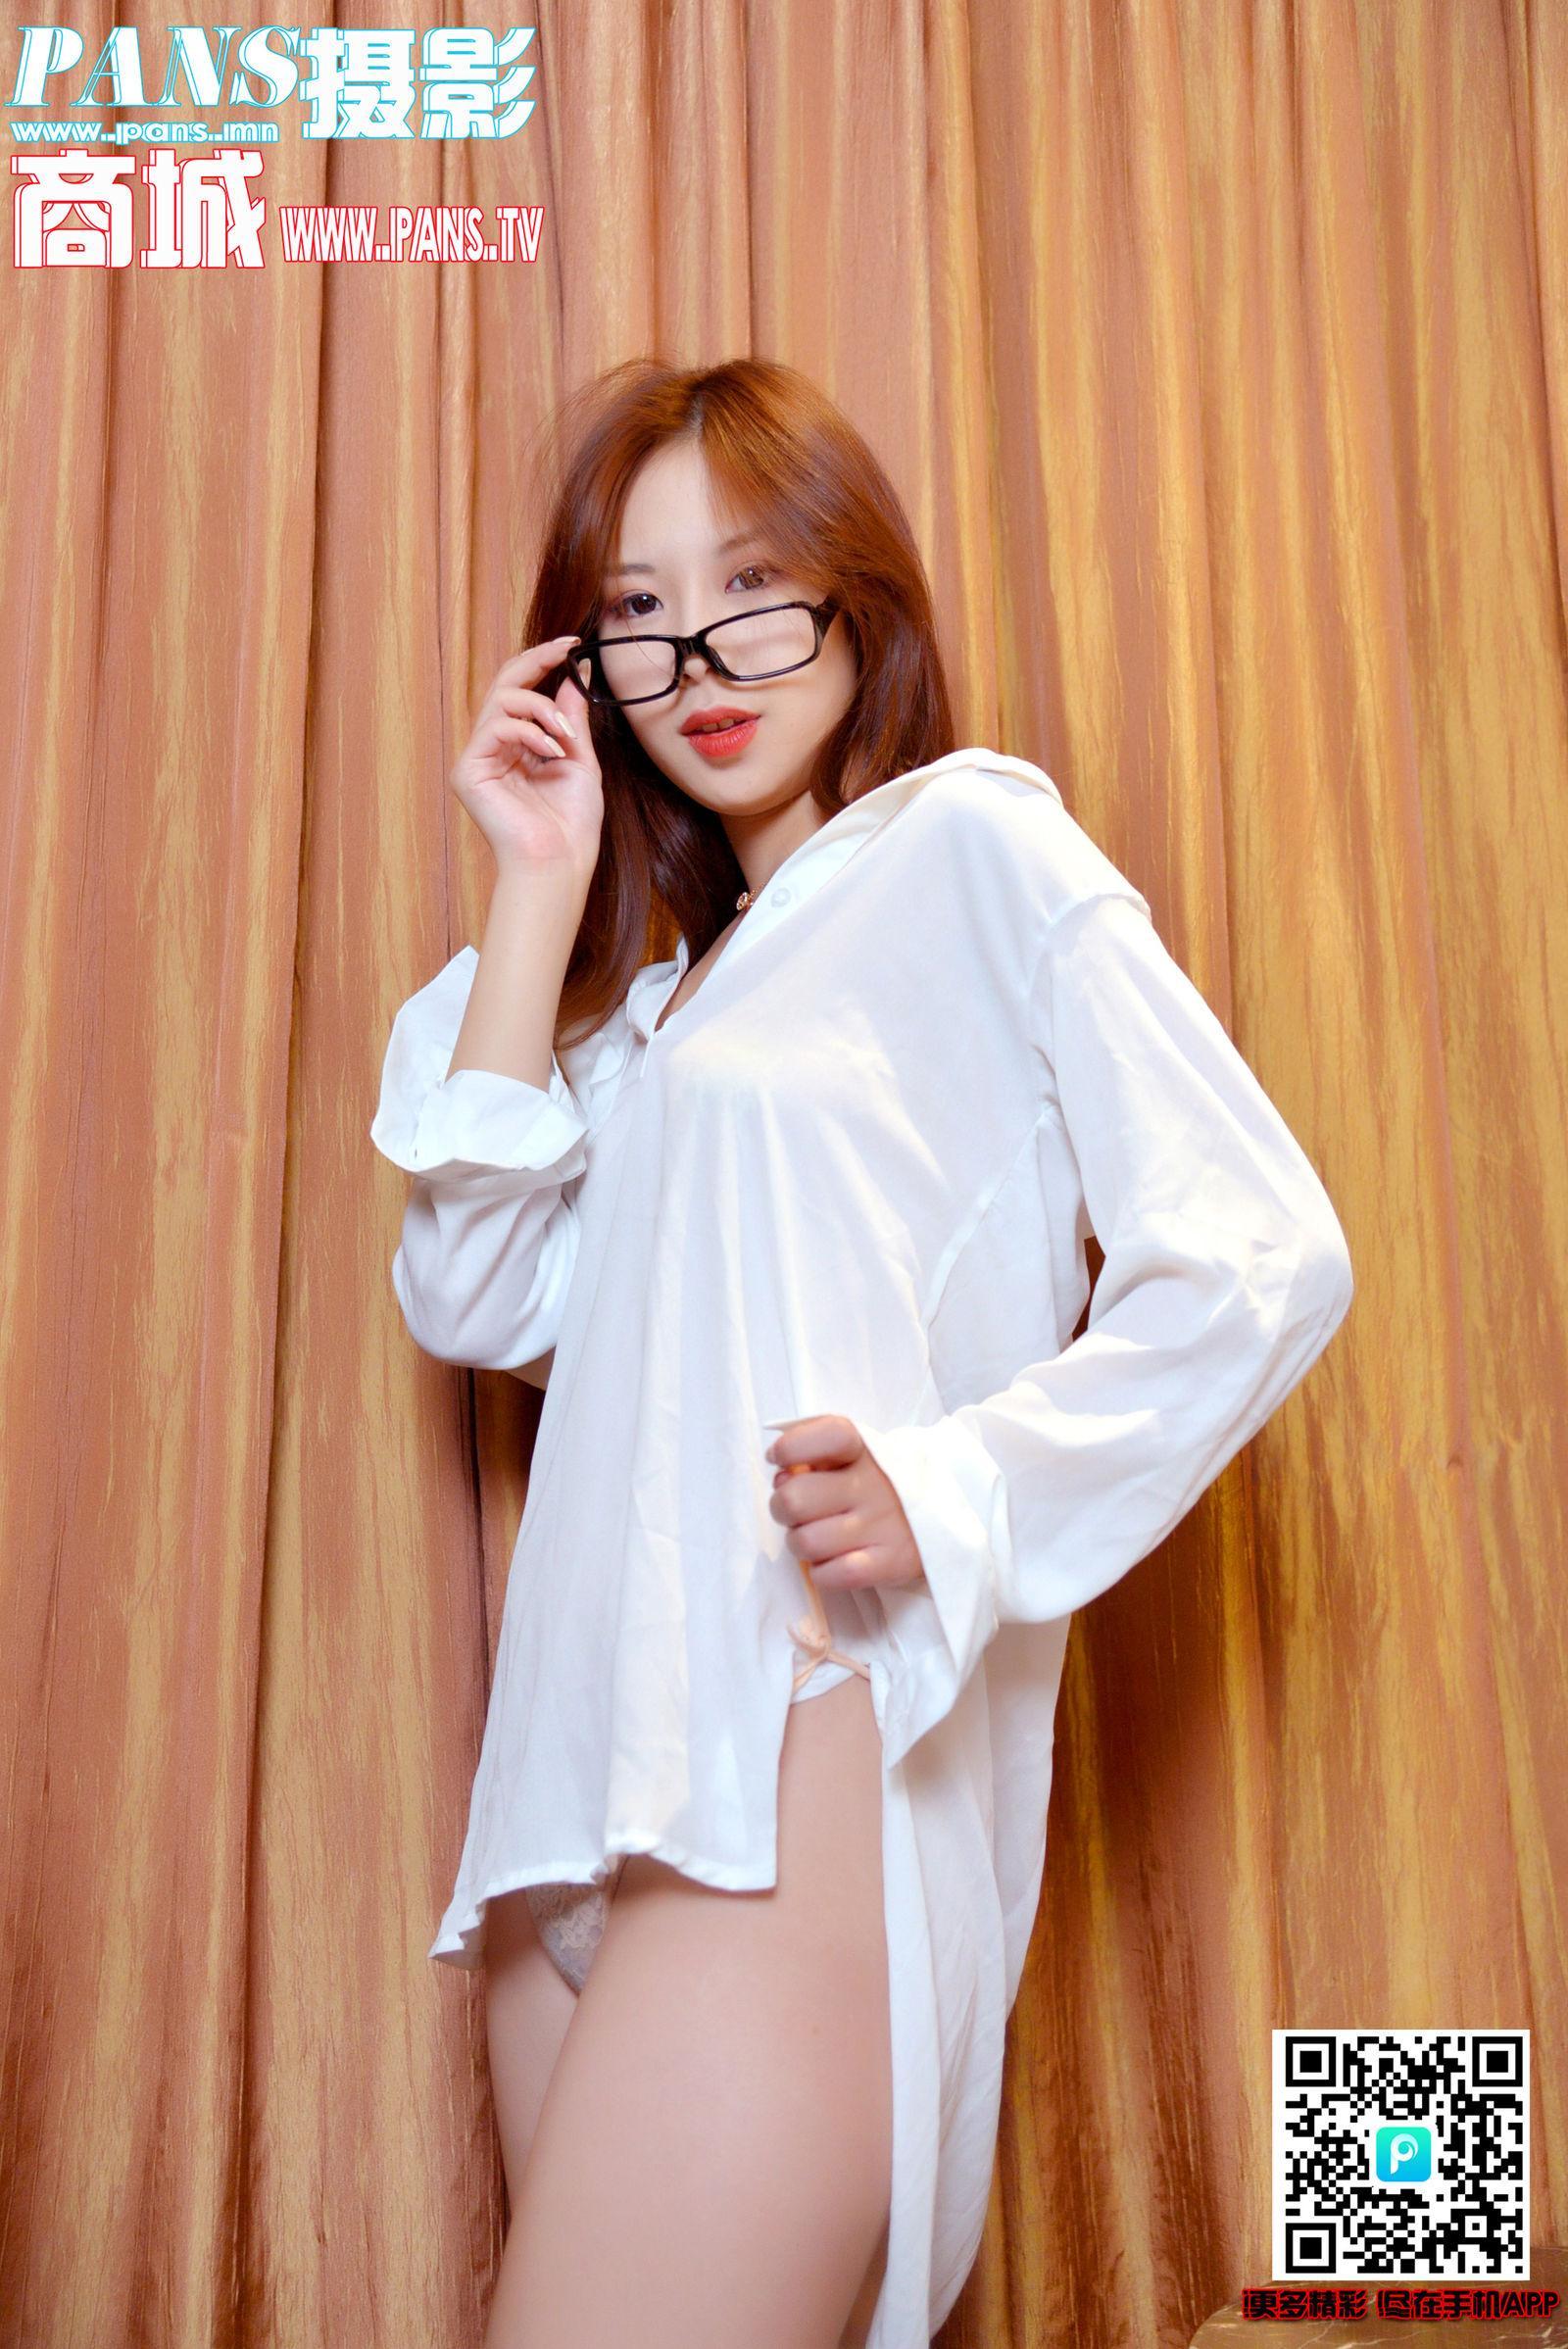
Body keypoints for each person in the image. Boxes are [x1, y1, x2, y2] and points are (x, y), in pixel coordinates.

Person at [369, 357, 1355, 2349]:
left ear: (855, 592)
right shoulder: (635, 1022)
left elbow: (1261, 1253)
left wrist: (953, 1486)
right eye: (637, 609)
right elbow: (475, 1295)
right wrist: (539, 879)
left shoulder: (968, 849)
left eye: (751, 583)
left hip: (782, 1746)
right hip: (566, 1796)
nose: (700, 656)